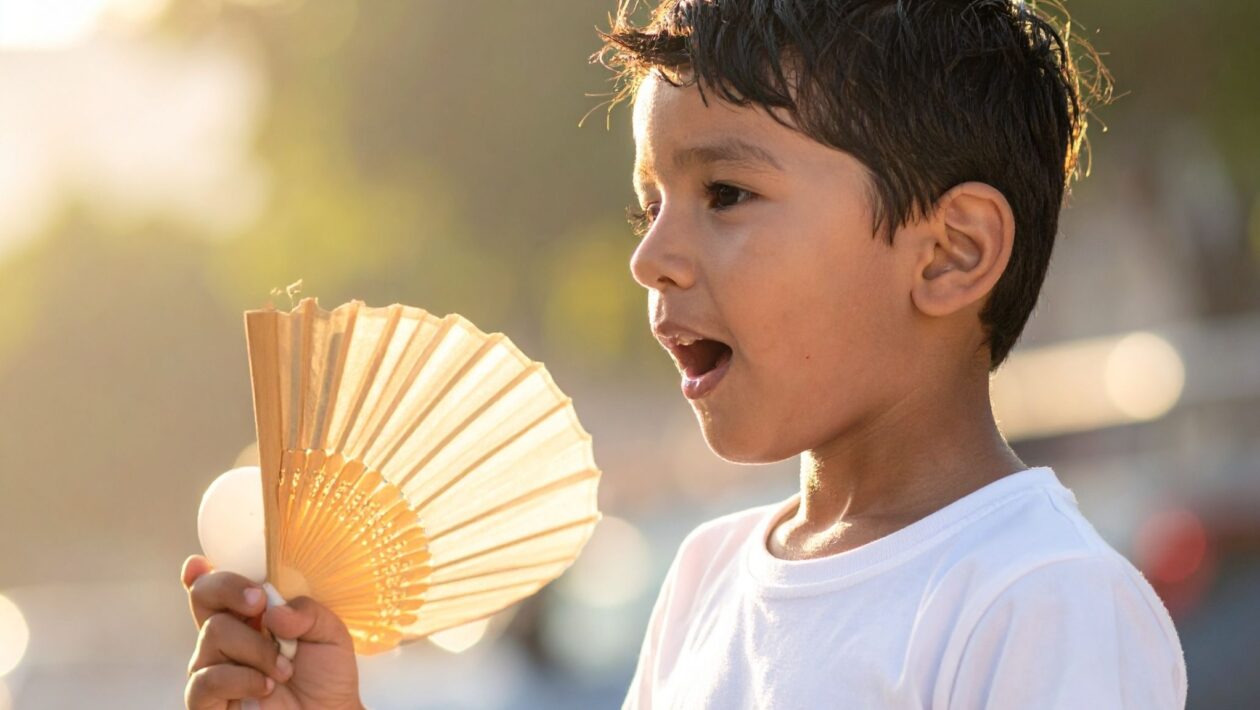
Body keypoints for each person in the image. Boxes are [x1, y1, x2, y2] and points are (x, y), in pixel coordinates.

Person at [182, 0, 1187, 708]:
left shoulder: (1039, 599)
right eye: (648, 204)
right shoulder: (708, 575)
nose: (651, 256)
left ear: (951, 251)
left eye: (726, 195)